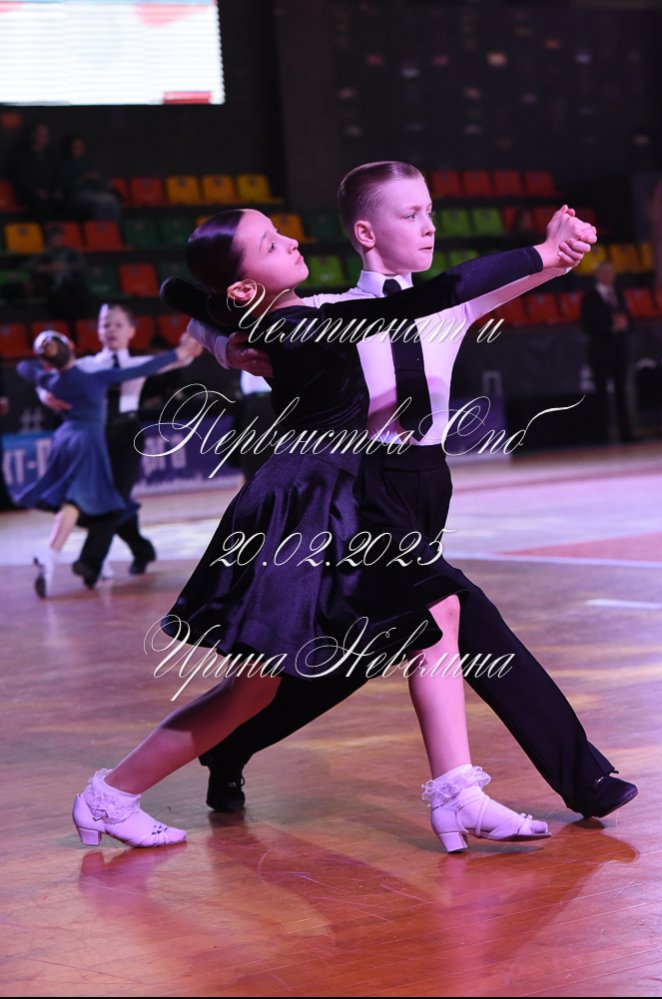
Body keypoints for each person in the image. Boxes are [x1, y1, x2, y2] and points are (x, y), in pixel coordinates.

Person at [71, 204, 585, 852]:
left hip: (321, 496)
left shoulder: (273, 323)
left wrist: (226, 333)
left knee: (310, 667)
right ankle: (110, 794)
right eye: (270, 243)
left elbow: (179, 291)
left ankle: (111, 796)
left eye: (280, 232)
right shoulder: (302, 328)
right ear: (243, 285)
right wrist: (544, 252)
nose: (291, 241)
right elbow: (440, 292)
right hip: (306, 505)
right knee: (267, 683)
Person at [194, 162, 637, 823]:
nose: (429, 226)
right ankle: (583, 779)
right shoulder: (324, 313)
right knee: (472, 621)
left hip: (428, 485)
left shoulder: (451, 304)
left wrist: (562, 244)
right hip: (365, 492)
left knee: (350, 660)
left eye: (430, 211)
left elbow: (535, 268)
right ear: (365, 232)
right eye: (410, 214)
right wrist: (226, 348)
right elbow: (205, 313)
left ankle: (228, 747)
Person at [16, 330, 200, 597]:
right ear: (71, 346)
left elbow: (24, 367)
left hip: (64, 438)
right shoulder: (95, 376)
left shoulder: (51, 379)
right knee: (79, 500)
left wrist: (45, 386)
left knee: (97, 499)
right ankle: (52, 553)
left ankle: (97, 560)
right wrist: (179, 352)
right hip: (88, 442)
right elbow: (144, 368)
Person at [581, 261, 635, 443]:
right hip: (600, 351)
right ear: (597, 276)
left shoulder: (619, 294)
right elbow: (587, 326)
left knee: (622, 391)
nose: (608, 276)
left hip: (620, 349)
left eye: (611, 272)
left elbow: (630, 321)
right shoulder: (590, 297)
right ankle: (602, 434)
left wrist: (625, 325)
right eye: (604, 272)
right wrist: (610, 327)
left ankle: (626, 433)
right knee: (601, 393)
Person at [27, 223, 91, 322]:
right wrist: (47, 268)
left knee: (83, 297)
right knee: (63, 302)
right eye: (54, 238)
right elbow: (29, 267)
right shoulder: (43, 253)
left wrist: (65, 266)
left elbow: (81, 265)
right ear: (49, 239)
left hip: (72, 285)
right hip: (53, 287)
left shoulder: (71, 252)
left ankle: (83, 324)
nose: (57, 240)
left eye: (59, 237)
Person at [9, 122, 64, 221]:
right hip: (29, 194)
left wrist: (56, 190)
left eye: (46, 135)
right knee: (39, 204)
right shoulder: (22, 154)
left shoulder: (52, 154)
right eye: (41, 135)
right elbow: (20, 177)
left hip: (49, 192)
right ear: (33, 136)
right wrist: (35, 190)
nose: (44, 138)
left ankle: (61, 230)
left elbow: (58, 174)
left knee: (64, 203)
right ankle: (44, 230)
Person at [61, 134, 122, 222]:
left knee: (112, 201)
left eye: (80, 147)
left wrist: (96, 178)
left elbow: (100, 182)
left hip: (95, 193)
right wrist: (83, 179)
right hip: (78, 196)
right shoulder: (66, 165)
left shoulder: (88, 163)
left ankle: (115, 228)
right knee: (101, 202)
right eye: (76, 147)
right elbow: (68, 187)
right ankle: (99, 229)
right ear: (71, 148)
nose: (78, 150)